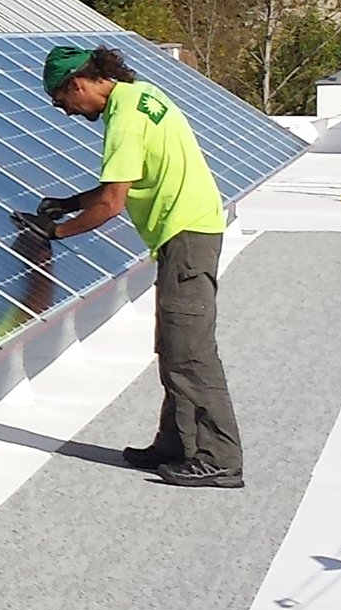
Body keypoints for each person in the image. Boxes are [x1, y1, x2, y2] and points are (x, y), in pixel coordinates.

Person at [26, 44, 244, 488]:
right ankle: (175, 445)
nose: (65, 111)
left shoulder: (122, 120)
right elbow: (122, 182)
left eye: (61, 101)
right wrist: (69, 204)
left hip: (187, 236)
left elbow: (111, 203)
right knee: (172, 346)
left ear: (79, 84)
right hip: (186, 232)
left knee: (191, 352)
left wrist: (55, 233)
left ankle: (219, 457)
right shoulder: (139, 95)